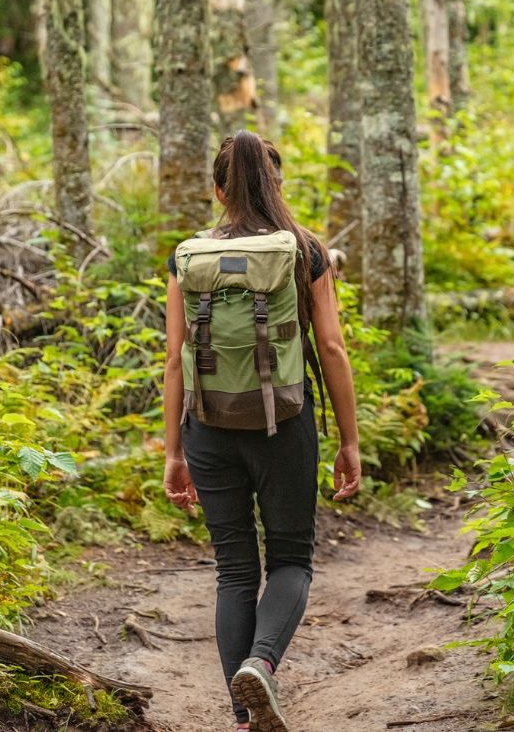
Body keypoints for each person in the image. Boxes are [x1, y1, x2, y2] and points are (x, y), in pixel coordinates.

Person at [162, 131, 363, 732]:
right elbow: (330, 345)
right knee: (292, 561)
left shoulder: (187, 256)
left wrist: (174, 450)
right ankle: (262, 666)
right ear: (277, 184)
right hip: (286, 424)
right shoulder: (304, 250)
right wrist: (350, 443)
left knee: (234, 569)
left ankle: (242, 711)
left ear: (217, 188)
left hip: (208, 427)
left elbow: (174, 359)